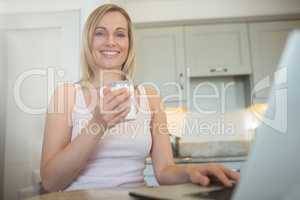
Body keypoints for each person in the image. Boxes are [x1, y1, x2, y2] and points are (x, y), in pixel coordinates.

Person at [40, 4, 240, 192]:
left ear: (129, 44)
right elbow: (51, 181)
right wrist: (98, 124)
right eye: (100, 33)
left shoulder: (150, 97)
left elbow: (164, 171)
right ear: (88, 41)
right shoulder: (66, 95)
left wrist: (191, 171)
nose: (111, 41)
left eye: (120, 34)